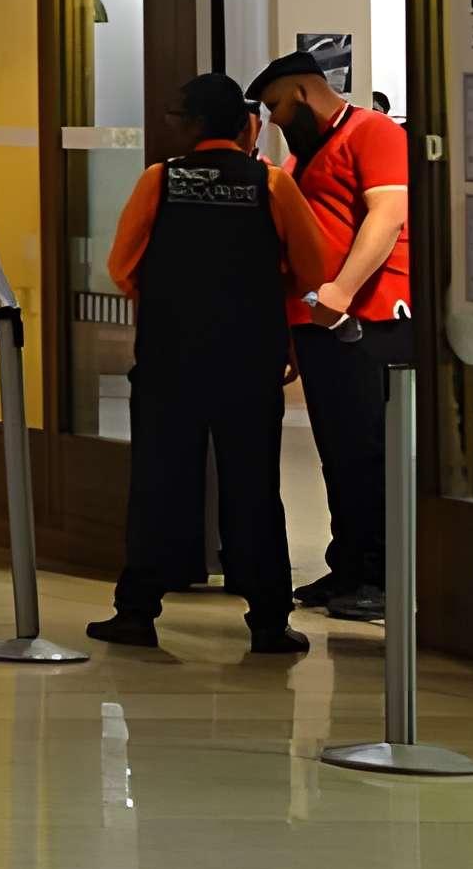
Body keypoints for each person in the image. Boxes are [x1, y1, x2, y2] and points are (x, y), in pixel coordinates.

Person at [86, 73, 333, 658]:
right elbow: (313, 267)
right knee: (254, 484)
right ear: (245, 126)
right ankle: (269, 618)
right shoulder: (270, 183)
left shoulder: (160, 181)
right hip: (249, 359)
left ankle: (138, 610)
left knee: (159, 481)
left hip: (171, 358)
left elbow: (122, 266)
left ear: (192, 125)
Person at [246, 49, 410, 623]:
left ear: (302, 92)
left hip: (371, 319)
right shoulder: (299, 162)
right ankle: (349, 563)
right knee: (337, 452)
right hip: (315, 323)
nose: (271, 119)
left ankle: (386, 574)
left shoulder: (374, 131)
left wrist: (341, 289)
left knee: (371, 450)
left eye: (275, 105)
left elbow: (387, 215)